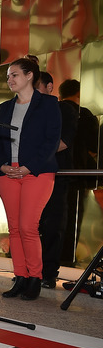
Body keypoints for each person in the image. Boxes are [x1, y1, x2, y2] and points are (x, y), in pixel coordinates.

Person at [0, 57, 61, 301]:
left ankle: (35, 278)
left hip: (37, 173)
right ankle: (20, 277)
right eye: (8, 76)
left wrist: (29, 167)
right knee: (13, 228)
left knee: (27, 227)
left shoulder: (49, 104)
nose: (9, 80)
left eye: (14, 75)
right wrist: (1, 165)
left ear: (30, 75)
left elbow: (51, 140)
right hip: (8, 174)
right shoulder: (4, 108)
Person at [36, 73, 78, 289]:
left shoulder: (65, 110)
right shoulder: (28, 112)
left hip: (56, 176)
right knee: (30, 226)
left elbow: (63, 143)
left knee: (52, 224)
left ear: (50, 87)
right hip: (31, 175)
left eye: (36, 86)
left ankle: (48, 273)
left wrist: (33, 156)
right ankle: (30, 271)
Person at [57, 79, 98, 266]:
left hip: (52, 172)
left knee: (50, 217)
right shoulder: (86, 115)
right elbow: (94, 146)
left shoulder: (53, 111)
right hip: (78, 174)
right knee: (72, 219)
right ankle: (66, 259)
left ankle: (46, 259)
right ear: (79, 94)